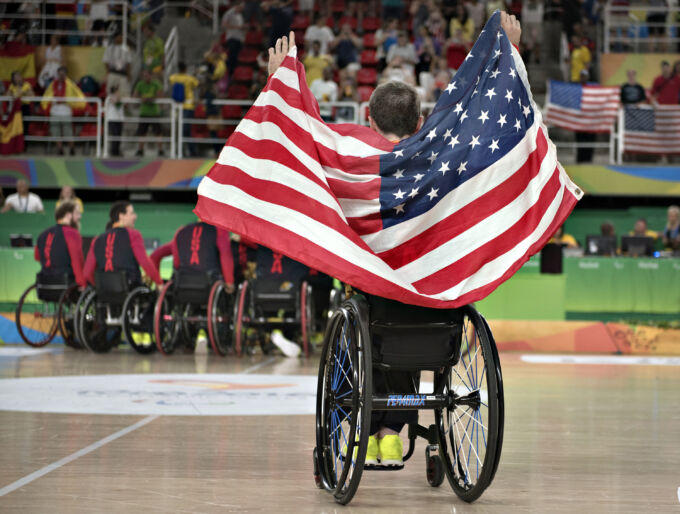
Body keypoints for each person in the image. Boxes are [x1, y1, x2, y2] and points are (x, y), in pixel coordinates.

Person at [265, 13, 522, 468]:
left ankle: (373, 431)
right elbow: (492, 135)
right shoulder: (440, 159)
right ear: (421, 120)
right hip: (430, 313)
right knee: (406, 311)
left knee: (371, 315)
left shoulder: (350, 153)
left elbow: (302, 140)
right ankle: (390, 431)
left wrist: (280, 84)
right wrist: (512, 56)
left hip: (373, 308)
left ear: (367, 117)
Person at [83, 201, 163, 289]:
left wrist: (97, 287)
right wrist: (159, 282)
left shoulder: (96, 240)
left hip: (104, 290)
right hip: (129, 288)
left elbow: (87, 273)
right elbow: (144, 262)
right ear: (121, 216)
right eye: (131, 213)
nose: (135, 216)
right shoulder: (133, 235)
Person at [34, 201, 86, 289]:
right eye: (77, 213)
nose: (79, 217)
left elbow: (37, 256)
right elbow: (77, 261)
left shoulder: (43, 234)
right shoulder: (72, 233)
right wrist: (82, 283)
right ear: (68, 215)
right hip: (65, 282)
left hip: (43, 282)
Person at [41, 66, 85, 156]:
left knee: (68, 133)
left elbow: (78, 96)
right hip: (55, 111)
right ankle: (60, 149)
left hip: (66, 111)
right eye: (59, 74)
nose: (61, 76)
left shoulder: (71, 85)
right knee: (55, 132)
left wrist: (68, 100)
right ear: (57, 74)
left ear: (66, 74)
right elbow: (47, 96)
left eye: (63, 74)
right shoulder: (52, 84)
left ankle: (72, 148)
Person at [169, 62, 200, 157]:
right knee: (186, 131)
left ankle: (181, 151)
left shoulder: (173, 78)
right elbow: (198, 85)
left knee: (180, 131)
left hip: (177, 107)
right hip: (188, 106)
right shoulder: (190, 78)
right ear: (185, 68)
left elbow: (170, 84)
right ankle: (189, 151)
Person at [133, 69, 164, 157]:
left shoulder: (156, 83)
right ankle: (140, 150)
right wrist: (141, 98)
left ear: (151, 76)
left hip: (154, 112)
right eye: (143, 76)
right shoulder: (140, 84)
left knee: (158, 132)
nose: (145, 77)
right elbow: (135, 95)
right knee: (142, 132)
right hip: (144, 112)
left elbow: (160, 95)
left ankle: (160, 150)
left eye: (146, 76)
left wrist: (150, 98)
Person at [221, 0, 246, 79]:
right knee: (232, 57)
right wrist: (237, 27)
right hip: (232, 37)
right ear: (237, 6)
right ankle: (229, 74)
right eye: (241, 7)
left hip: (239, 38)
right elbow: (224, 25)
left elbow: (240, 26)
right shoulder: (229, 13)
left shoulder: (240, 15)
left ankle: (233, 74)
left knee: (236, 58)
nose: (242, 8)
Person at [103, 32, 133, 96]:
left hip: (123, 74)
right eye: (119, 37)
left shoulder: (126, 48)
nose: (120, 38)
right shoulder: (109, 48)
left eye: (121, 37)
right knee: (110, 91)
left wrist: (129, 73)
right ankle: (110, 105)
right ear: (115, 38)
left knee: (125, 92)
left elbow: (129, 62)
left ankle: (124, 105)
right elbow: (106, 61)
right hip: (113, 72)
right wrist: (107, 72)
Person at [8, 70, 34, 135]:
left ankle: (24, 143)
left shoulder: (26, 84)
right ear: (13, 78)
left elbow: (32, 94)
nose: (18, 78)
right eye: (16, 77)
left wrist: (23, 92)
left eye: (19, 76)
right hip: (15, 107)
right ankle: (16, 143)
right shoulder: (12, 86)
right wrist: (13, 95)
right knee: (15, 125)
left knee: (25, 125)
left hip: (25, 107)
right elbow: (8, 95)